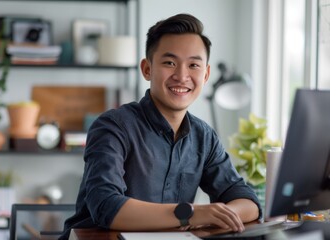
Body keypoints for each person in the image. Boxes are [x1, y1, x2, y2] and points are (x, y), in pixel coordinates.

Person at [59, 13, 261, 239]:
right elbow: (107, 206)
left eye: (194, 65)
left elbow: (248, 201)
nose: (182, 76)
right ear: (147, 69)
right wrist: (192, 214)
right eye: (169, 63)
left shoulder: (204, 136)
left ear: (206, 75)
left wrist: (220, 214)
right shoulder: (112, 126)